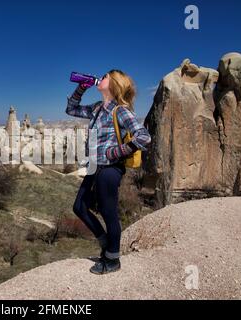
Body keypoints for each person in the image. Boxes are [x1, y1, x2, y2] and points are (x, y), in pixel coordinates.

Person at [65, 69, 151, 275]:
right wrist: (80, 88)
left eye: (105, 77)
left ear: (113, 85)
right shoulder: (96, 108)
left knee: (108, 212)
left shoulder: (120, 110)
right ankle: (105, 243)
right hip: (96, 167)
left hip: (111, 169)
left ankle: (112, 259)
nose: (99, 78)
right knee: (79, 207)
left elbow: (143, 136)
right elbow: (71, 109)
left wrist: (116, 151)